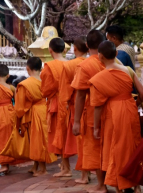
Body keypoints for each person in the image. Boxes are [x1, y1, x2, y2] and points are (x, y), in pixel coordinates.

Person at [89, 41, 143, 193]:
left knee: (116, 148)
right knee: (133, 146)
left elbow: (98, 106)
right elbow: (142, 93)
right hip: (130, 110)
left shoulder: (99, 78)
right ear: (116, 54)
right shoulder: (128, 70)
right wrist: (133, 105)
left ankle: (119, 192)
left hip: (114, 113)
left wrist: (96, 127)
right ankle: (137, 188)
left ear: (99, 56)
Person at [72, 30, 107, 193]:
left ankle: (101, 184)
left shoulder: (85, 66)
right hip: (113, 109)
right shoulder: (112, 61)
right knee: (110, 145)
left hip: (94, 110)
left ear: (87, 45)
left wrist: (77, 120)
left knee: (95, 146)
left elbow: (80, 95)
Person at [16, 57, 57, 176]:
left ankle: (43, 169)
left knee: (38, 140)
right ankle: (35, 166)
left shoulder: (25, 84)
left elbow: (20, 106)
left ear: (27, 68)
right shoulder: (46, 80)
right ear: (41, 68)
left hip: (34, 112)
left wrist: (18, 116)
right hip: (45, 108)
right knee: (38, 139)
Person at [55, 37, 89, 182]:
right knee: (91, 140)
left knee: (81, 139)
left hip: (76, 106)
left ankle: (83, 174)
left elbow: (64, 92)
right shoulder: (95, 63)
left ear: (74, 48)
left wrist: (64, 110)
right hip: (94, 105)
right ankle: (90, 173)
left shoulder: (69, 66)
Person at [40, 37, 68, 175]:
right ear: (64, 49)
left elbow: (45, 90)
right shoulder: (71, 63)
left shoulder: (49, 67)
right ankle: (65, 165)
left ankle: (66, 167)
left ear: (50, 50)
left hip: (57, 103)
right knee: (67, 133)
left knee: (60, 133)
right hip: (71, 102)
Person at [0, 65, 16, 174]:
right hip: (10, 113)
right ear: (8, 75)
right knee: (6, 138)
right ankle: (6, 164)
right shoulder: (11, 87)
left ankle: (4, 164)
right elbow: (18, 102)